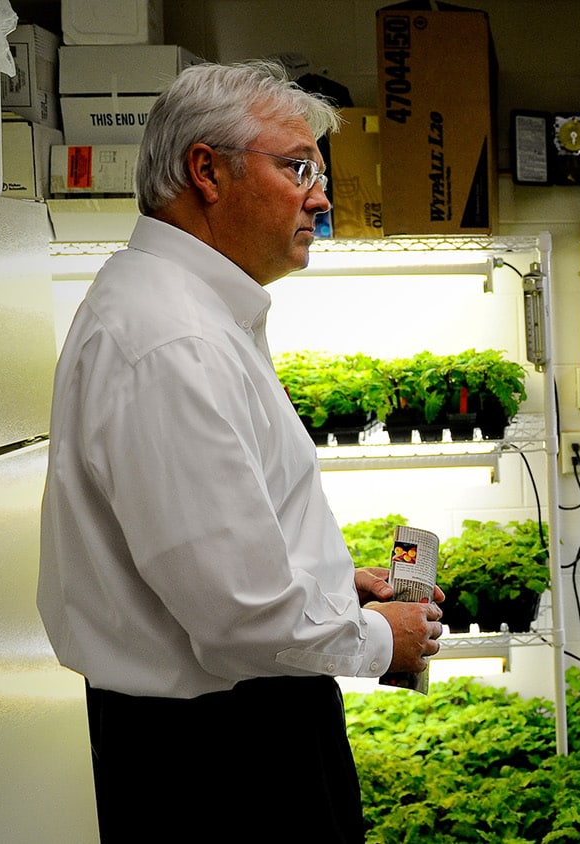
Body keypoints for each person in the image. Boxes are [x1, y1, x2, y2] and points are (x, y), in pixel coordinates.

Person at [36, 60, 444, 843]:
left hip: (221, 730)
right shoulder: (171, 340)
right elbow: (239, 615)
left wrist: (332, 588)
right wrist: (377, 639)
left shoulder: (182, 312)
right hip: (222, 760)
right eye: (298, 168)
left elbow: (213, 562)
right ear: (206, 172)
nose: (320, 198)